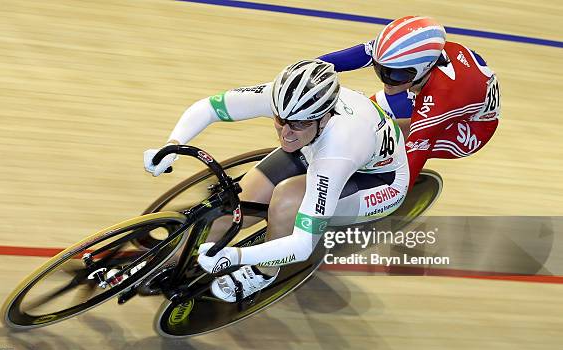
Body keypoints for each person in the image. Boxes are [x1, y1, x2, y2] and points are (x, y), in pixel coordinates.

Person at [144, 60, 409, 302]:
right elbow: (209, 108)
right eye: (280, 120)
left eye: (298, 124)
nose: (285, 132)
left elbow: (302, 246)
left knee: (286, 200)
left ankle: (265, 271)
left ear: (325, 117)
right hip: (314, 149)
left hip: (378, 181)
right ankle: (167, 262)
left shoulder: (340, 148)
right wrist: (171, 145)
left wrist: (237, 257)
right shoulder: (287, 100)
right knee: (230, 212)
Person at [319, 15, 501, 191]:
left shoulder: (442, 98)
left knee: (382, 148)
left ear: (424, 69)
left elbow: (408, 170)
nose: (386, 81)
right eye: (380, 70)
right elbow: (355, 57)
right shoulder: (404, 52)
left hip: (469, 128)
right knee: (364, 118)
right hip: (433, 92)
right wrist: (312, 66)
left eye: (396, 75)